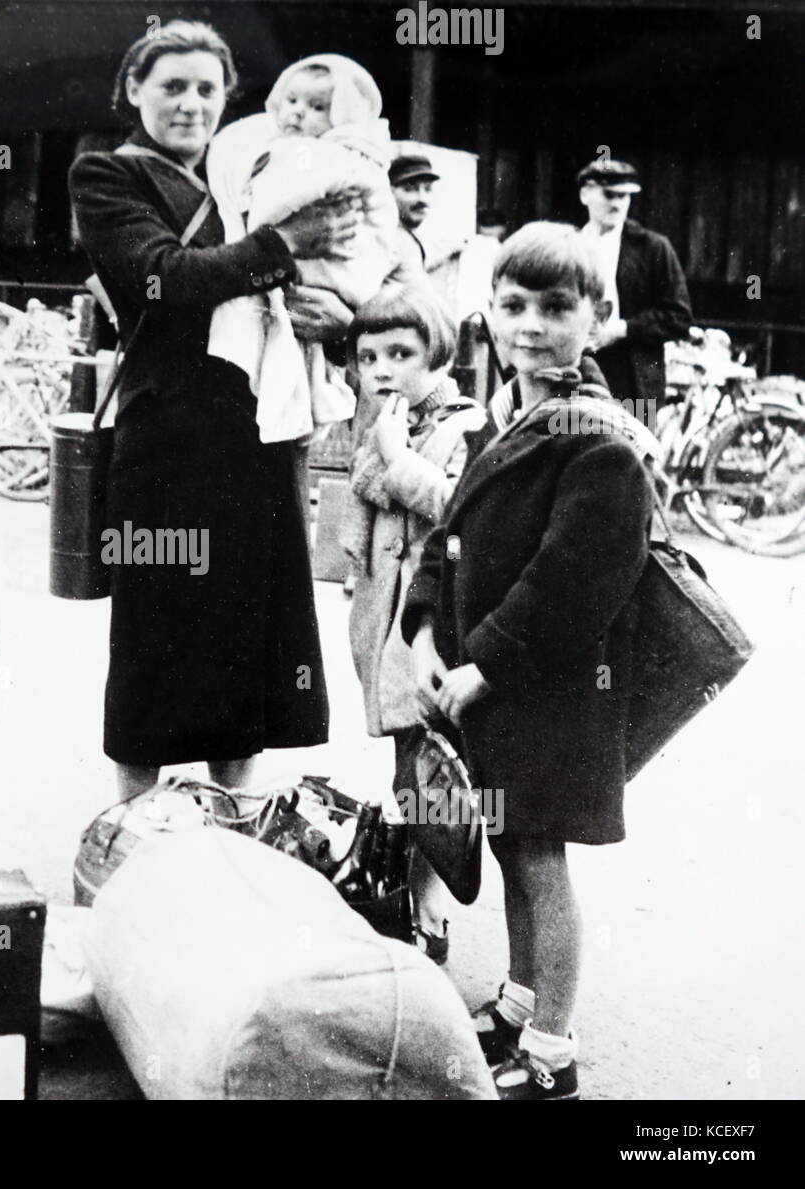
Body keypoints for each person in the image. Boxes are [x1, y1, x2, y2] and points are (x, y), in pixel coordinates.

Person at [69, 20, 359, 800]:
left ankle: (238, 822)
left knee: (248, 644)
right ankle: (131, 830)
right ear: (134, 90)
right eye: (172, 86)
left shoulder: (246, 172)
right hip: (167, 440)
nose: (191, 104)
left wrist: (336, 319)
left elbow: (309, 289)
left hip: (257, 439)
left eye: (207, 88)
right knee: (153, 642)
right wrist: (283, 242)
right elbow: (164, 277)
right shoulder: (108, 176)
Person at [402, 223, 655, 1099]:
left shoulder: (600, 437)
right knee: (512, 839)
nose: (532, 324)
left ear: (598, 317)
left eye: (557, 307)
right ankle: (518, 999)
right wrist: (427, 631)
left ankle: (552, 1053)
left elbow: (573, 583)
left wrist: (484, 667)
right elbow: (449, 532)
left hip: (552, 689)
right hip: (490, 679)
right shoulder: (506, 411)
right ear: (487, 313)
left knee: (541, 857)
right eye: (514, 305)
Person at [339, 284, 486, 965]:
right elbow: (356, 505)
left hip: (430, 623)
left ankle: (430, 903)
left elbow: (457, 507)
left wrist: (398, 458)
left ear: (440, 354)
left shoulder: (464, 423)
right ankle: (413, 891)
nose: (384, 369)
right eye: (370, 356)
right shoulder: (380, 426)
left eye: (401, 352)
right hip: (382, 618)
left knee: (429, 763)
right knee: (408, 758)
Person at [205, 53, 398, 441]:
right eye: (291, 101)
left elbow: (276, 204)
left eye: (317, 107)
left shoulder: (331, 156)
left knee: (293, 368)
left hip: (327, 284)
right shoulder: (269, 144)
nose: (297, 113)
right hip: (287, 298)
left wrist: (263, 219)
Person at [577, 158, 692, 410]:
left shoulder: (652, 248)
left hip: (632, 375)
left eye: (625, 197)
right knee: (575, 442)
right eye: (610, 195)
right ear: (585, 194)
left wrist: (620, 329)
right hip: (577, 370)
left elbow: (678, 317)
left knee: (632, 447)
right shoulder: (568, 246)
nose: (617, 204)